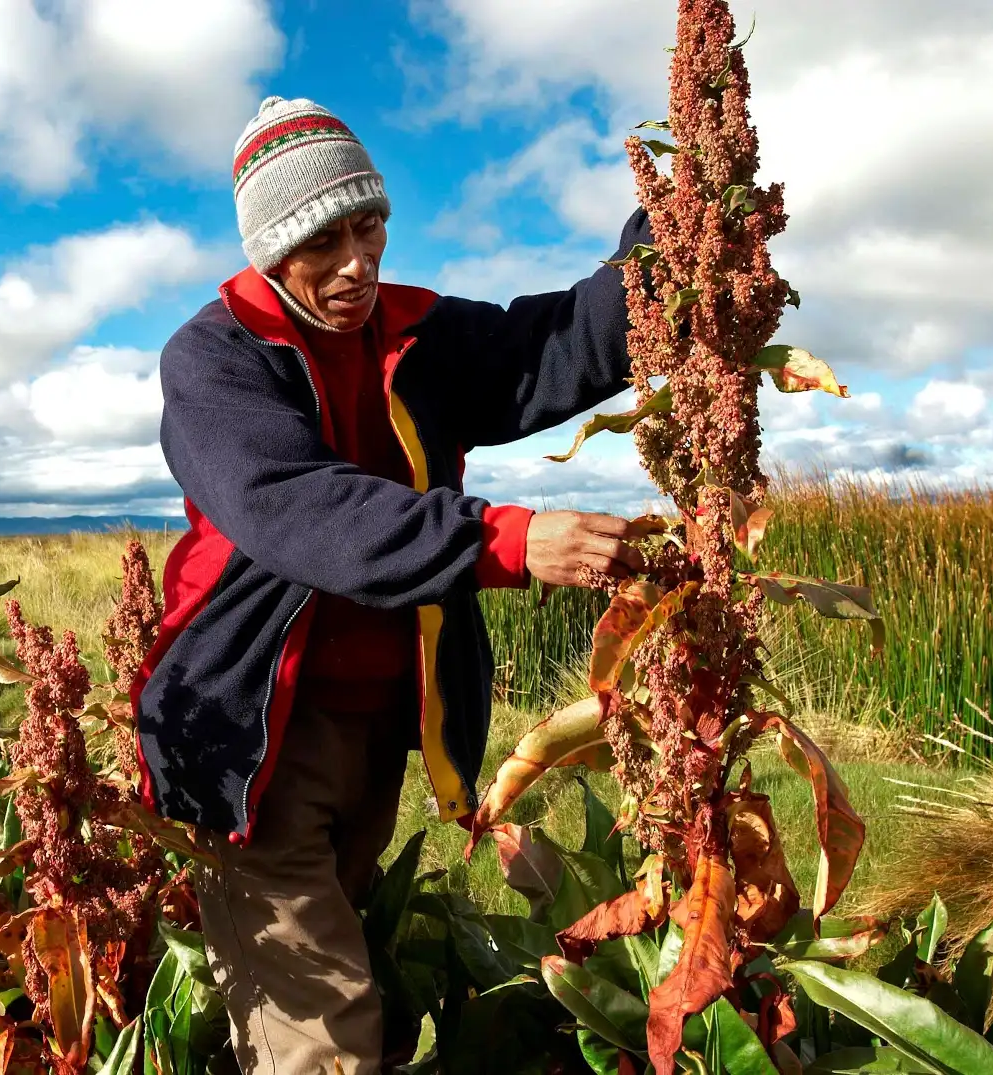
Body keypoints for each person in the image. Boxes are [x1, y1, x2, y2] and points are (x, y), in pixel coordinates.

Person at [131, 96, 652, 1074]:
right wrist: (506, 539)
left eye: (368, 227)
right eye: (322, 242)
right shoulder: (213, 359)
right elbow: (301, 510)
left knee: (319, 968)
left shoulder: (415, 332)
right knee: (322, 1039)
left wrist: (666, 243)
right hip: (249, 734)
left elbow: (556, 347)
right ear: (270, 250)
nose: (356, 263)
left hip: (373, 727)